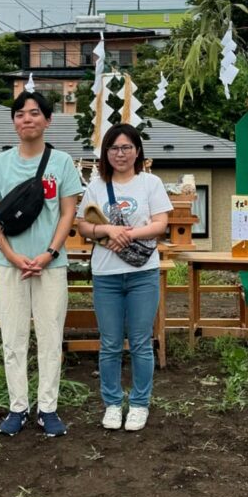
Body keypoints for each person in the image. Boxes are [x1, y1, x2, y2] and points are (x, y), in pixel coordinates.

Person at [0, 91, 82, 437]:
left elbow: (68, 212)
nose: (27, 119)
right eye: (20, 114)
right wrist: (11, 255)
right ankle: (18, 406)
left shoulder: (62, 162)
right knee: (13, 336)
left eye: (35, 113)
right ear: (14, 122)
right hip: (10, 266)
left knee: (51, 337)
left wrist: (49, 253)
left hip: (50, 264)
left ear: (48, 120)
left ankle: (48, 408)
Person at [76, 123, 171, 431]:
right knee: (111, 343)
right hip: (106, 275)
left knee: (142, 341)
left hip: (143, 274)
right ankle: (113, 404)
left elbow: (160, 225)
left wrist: (125, 234)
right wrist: (107, 230)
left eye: (126, 147)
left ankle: (140, 404)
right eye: (114, 148)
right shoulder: (97, 186)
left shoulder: (150, 183)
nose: (120, 154)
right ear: (106, 153)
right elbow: (83, 226)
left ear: (137, 151)